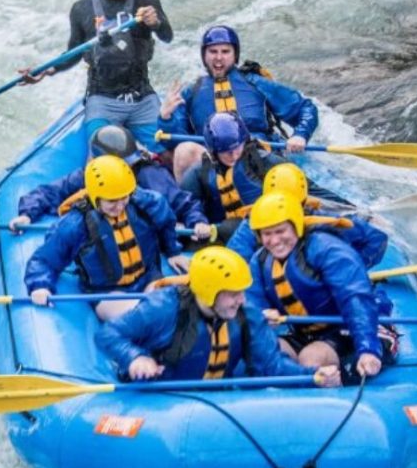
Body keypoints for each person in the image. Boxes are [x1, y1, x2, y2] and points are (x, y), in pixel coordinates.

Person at [97, 245, 340, 386]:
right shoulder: (163, 307)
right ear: (209, 292)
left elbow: (271, 365)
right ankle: (112, 301)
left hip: (212, 402)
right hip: (160, 397)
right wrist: (135, 358)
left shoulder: (246, 315)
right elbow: (109, 334)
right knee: (117, 311)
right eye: (233, 294)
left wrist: (313, 376)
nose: (242, 300)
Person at [18, 0, 172, 151]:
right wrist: (47, 70)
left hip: (142, 97)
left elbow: (167, 36)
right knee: (103, 157)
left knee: (168, 154)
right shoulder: (82, 9)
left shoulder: (146, 0)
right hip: (103, 100)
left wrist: (156, 23)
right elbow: (74, 52)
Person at [245, 191, 396, 381]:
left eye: (280, 231)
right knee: (264, 355)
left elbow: (355, 298)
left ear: (296, 227)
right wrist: (261, 315)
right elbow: (252, 304)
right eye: (267, 234)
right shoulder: (260, 261)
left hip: (350, 327)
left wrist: (368, 348)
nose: (274, 241)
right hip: (305, 333)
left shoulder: (326, 248)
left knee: (311, 360)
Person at [24, 155, 188, 321]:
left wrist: (172, 251)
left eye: (124, 197)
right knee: (141, 319)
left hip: (148, 278)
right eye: (111, 201)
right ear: (96, 197)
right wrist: (39, 286)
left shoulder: (146, 203)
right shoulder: (75, 225)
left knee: (176, 311)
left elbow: (166, 222)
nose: (119, 206)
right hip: (108, 292)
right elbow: (45, 259)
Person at [158, 24, 319, 180]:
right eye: (213, 51)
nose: (219, 57)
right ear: (204, 56)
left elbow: (306, 108)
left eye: (225, 51)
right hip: (216, 164)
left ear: (235, 55)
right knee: (184, 150)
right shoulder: (191, 93)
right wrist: (166, 118)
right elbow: (174, 142)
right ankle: (195, 205)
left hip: (259, 156)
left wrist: (300, 135)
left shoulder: (256, 83)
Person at [9, 125, 214, 242]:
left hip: (148, 236)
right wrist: (27, 214)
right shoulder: (92, 176)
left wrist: (197, 222)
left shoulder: (147, 173)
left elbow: (182, 202)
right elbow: (50, 192)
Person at [227, 162, 389, 268]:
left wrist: (355, 271)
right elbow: (234, 263)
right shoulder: (251, 226)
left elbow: (376, 236)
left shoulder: (323, 221)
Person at [179, 111, 286, 237]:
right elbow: (187, 203)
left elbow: (309, 190)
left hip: (265, 228)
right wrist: (197, 221)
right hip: (221, 233)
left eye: (238, 147)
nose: (234, 155)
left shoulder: (263, 161)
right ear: (213, 152)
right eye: (227, 152)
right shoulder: (200, 172)